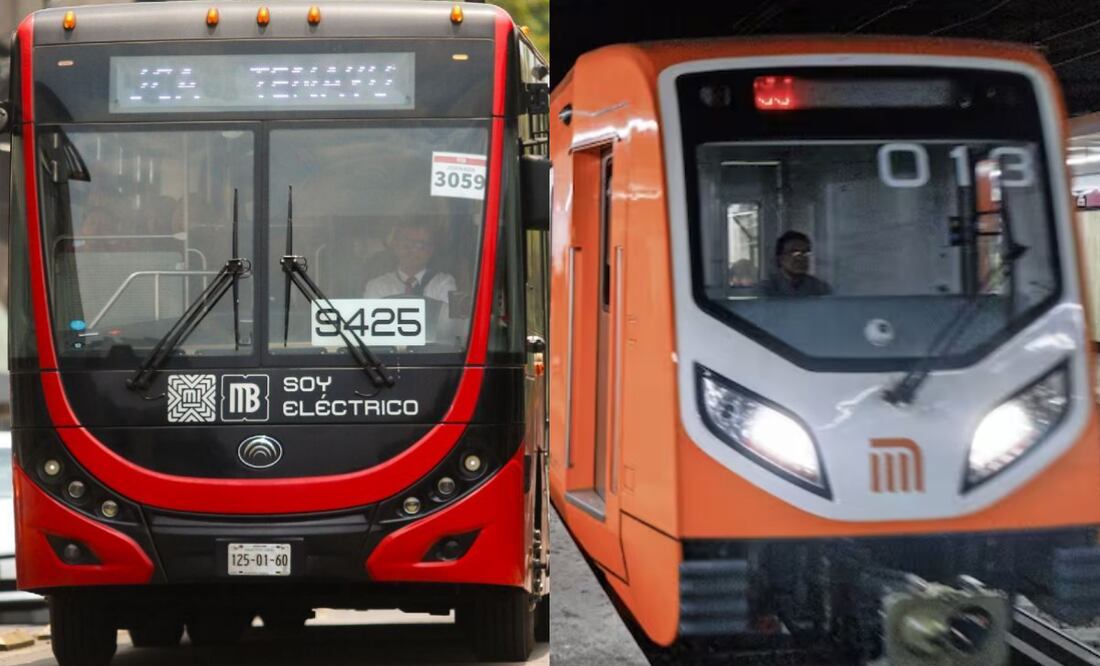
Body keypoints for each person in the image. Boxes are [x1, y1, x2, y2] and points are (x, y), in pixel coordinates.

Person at [363, 223, 460, 343]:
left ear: (431, 251)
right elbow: (369, 329)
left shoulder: (444, 283)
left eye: (422, 245)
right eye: (407, 244)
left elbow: (451, 326)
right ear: (395, 247)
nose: (414, 250)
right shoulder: (377, 286)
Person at [760, 230, 831, 297]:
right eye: (795, 253)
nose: (801, 258)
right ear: (780, 258)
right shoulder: (765, 290)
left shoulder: (820, 289)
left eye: (806, 253)